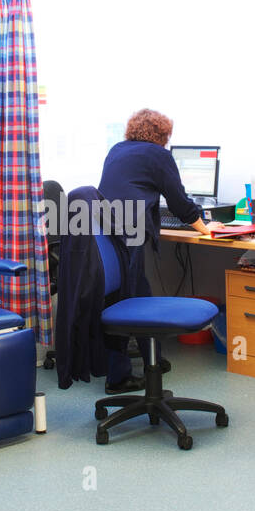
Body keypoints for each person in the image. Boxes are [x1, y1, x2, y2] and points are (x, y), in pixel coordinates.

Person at [97, 109, 212, 393]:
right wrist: (206, 227)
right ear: (162, 135)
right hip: (128, 229)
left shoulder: (117, 149)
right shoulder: (159, 155)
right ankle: (118, 377)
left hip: (103, 228)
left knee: (135, 292)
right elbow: (179, 202)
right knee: (128, 297)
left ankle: (154, 359)